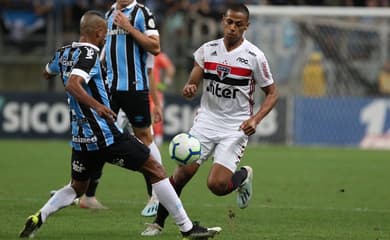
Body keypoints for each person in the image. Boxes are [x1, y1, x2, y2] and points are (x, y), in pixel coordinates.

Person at [19, 10, 221, 239]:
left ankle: (39, 216)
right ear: (98, 33)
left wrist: (66, 74)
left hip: (81, 139)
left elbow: (47, 73)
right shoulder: (90, 55)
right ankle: (187, 228)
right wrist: (98, 106)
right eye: (105, 33)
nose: (107, 38)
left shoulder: (64, 52)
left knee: (77, 187)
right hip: (105, 135)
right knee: (156, 168)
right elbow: (73, 85)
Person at [141, 3, 278, 236]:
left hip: (236, 127)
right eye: (229, 22)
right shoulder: (208, 49)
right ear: (223, 21)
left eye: (238, 24)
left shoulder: (255, 56)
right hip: (206, 120)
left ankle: (243, 176)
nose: (232, 28)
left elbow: (273, 93)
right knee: (181, 174)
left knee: (217, 185)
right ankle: (158, 223)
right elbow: (196, 74)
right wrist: (191, 85)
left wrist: (255, 120)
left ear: (247, 26)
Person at [103, 0, 165, 217]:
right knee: (98, 135)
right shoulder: (109, 12)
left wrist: (129, 28)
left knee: (145, 138)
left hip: (133, 88)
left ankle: (157, 193)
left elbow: (155, 47)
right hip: (110, 88)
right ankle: (80, 188)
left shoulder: (142, 13)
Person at [150, 51, 175, 146]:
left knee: (156, 116)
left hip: (155, 93)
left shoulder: (158, 56)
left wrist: (165, 84)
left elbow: (170, 68)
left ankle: (157, 142)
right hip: (141, 91)